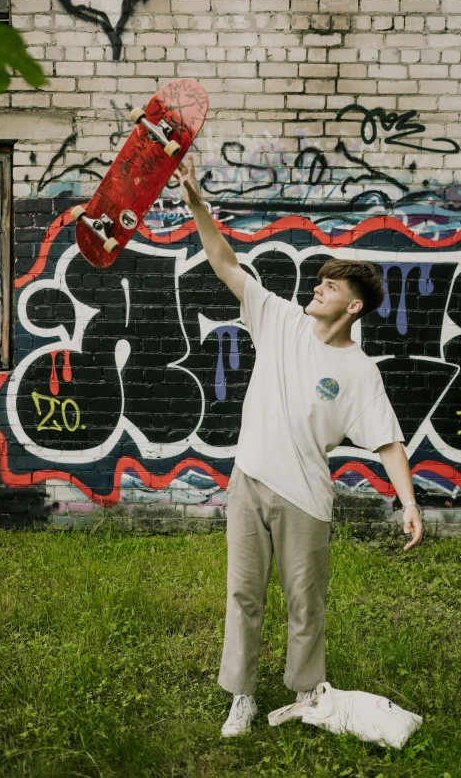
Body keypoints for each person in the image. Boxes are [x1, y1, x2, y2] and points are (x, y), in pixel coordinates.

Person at [174, 156, 424, 738]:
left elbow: (387, 441)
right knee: (243, 593)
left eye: (330, 287)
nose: (317, 289)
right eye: (320, 282)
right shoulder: (280, 319)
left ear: (352, 305)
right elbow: (225, 263)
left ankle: (308, 691)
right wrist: (196, 206)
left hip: (307, 499)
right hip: (249, 481)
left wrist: (408, 502)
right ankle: (242, 695)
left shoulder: (360, 372)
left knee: (304, 604)